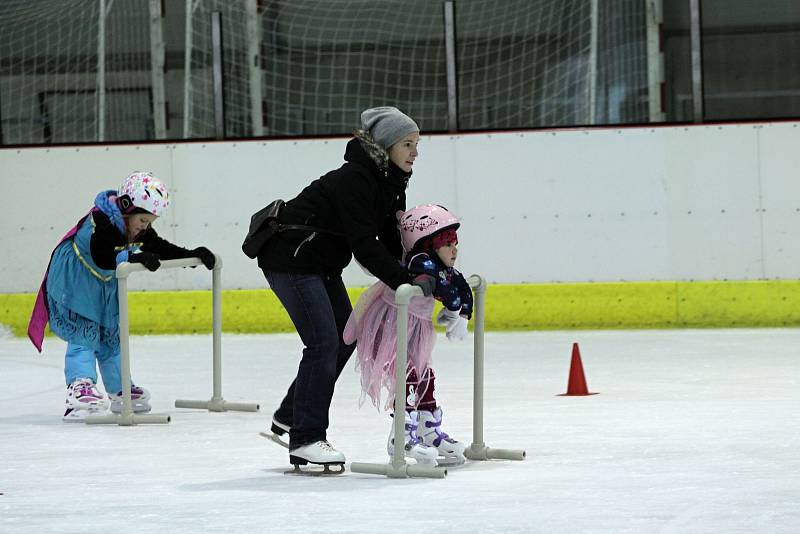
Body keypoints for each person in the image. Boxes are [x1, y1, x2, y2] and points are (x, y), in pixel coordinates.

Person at [257, 106, 435, 470]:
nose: (415, 151)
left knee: (344, 336)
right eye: (407, 143)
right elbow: (363, 244)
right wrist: (402, 280)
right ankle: (306, 437)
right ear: (386, 146)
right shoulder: (357, 178)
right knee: (324, 342)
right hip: (291, 260)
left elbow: (388, 237)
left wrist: (419, 270)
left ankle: (292, 413)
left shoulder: (391, 180)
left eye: (417, 143)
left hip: (320, 264)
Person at [27, 171, 216, 422]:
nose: (145, 227)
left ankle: (119, 390)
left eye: (149, 222)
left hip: (101, 281)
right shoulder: (102, 222)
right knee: (84, 334)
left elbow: (158, 247)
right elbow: (101, 255)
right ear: (127, 208)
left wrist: (191, 255)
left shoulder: (134, 226)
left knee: (109, 336)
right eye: (143, 220)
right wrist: (132, 257)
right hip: (74, 281)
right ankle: (79, 388)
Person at [343, 204, 473, 466]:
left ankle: (428, 431)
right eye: (447, 243)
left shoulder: (441, 265)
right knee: (408, 377)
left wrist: (463, 313)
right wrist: (453, 306)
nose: (454, 250)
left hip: (415, 328)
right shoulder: (421, 263)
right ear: (427, 243)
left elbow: (459, 285)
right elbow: (442, 287)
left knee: (425, 375)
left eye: (455, 243)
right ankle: (401, 437)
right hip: (391, 327)